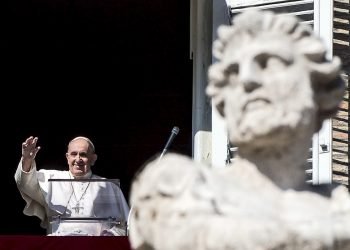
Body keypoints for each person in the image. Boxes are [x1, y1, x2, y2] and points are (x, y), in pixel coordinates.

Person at [128, 10, 347, 250]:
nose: (246, 79)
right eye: (232, 73)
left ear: (319, 91)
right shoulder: (179, 190)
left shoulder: (338, 207)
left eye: (268, 63)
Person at [15, 136, 130, 236]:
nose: (78, 159)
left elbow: (126, 224)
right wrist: (27, 160)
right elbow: (25, 183)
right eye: (74, 154)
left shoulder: (109, 187)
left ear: (93, 159)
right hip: (58, 246)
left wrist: (110, 235)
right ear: (67, 157)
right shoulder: (51, 178)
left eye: (83, 154)